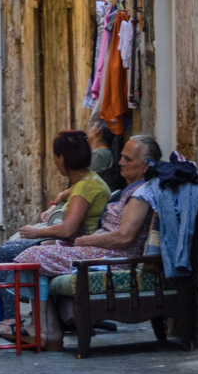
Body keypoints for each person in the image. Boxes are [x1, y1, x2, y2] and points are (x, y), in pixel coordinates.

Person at [9, 134, 163, 349]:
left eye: (128, 159)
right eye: (122, 157)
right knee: (40, 249)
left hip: (114, 258)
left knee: (30, 258)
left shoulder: (140, 195)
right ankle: (47, 328)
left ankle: (47, 330)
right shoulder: (130, 190)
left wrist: (85, 241)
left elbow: (125, 236)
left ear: (146, 166)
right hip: (100, 250)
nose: (120, 162)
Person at [0, 130, 110, 336]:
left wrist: (33, 232)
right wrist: (58, 201)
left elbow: (67, 229)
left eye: (55, 156)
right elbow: (74, 193)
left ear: (61, 158)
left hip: (72, 245)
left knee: (0, 255)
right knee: (8, 249)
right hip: (69, 242)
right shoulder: (92, 180)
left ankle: (10, 319)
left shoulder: (83, 189)